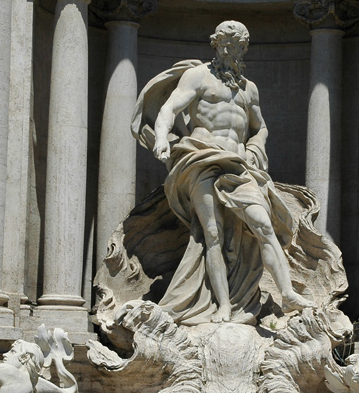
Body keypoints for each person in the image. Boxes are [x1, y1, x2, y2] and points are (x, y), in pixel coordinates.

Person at [133, 20, 312, 325]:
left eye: (237, 46)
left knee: (262, 224)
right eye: (225, 45)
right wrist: (162, 137)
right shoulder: (198, 76)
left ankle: (287, 293)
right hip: (201, 158)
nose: (231, 51)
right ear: (215, 45)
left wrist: (256, 148)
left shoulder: (248, 89)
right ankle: (224, 305)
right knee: (212, 234)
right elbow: (170, 108)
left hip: (239, 166)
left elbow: (260, 127)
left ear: (245, 48)